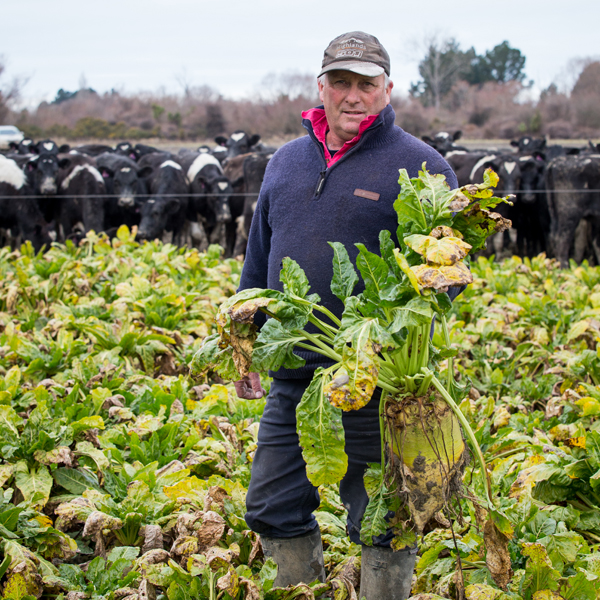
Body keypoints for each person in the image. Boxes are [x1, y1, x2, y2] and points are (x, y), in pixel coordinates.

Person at [234, 31, 458, 600]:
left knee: (383, 522)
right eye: (341, 82)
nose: (352, 95)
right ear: (321, 87)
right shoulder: (286, 161)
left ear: (388, 89)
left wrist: (378, 340)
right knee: (270, 504)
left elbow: (444, 280)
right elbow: (258, 262)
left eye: (366, 83)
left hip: (373, 383)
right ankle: (304, 589)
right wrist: (246, 345)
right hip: (293, 376)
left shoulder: (423, 167)